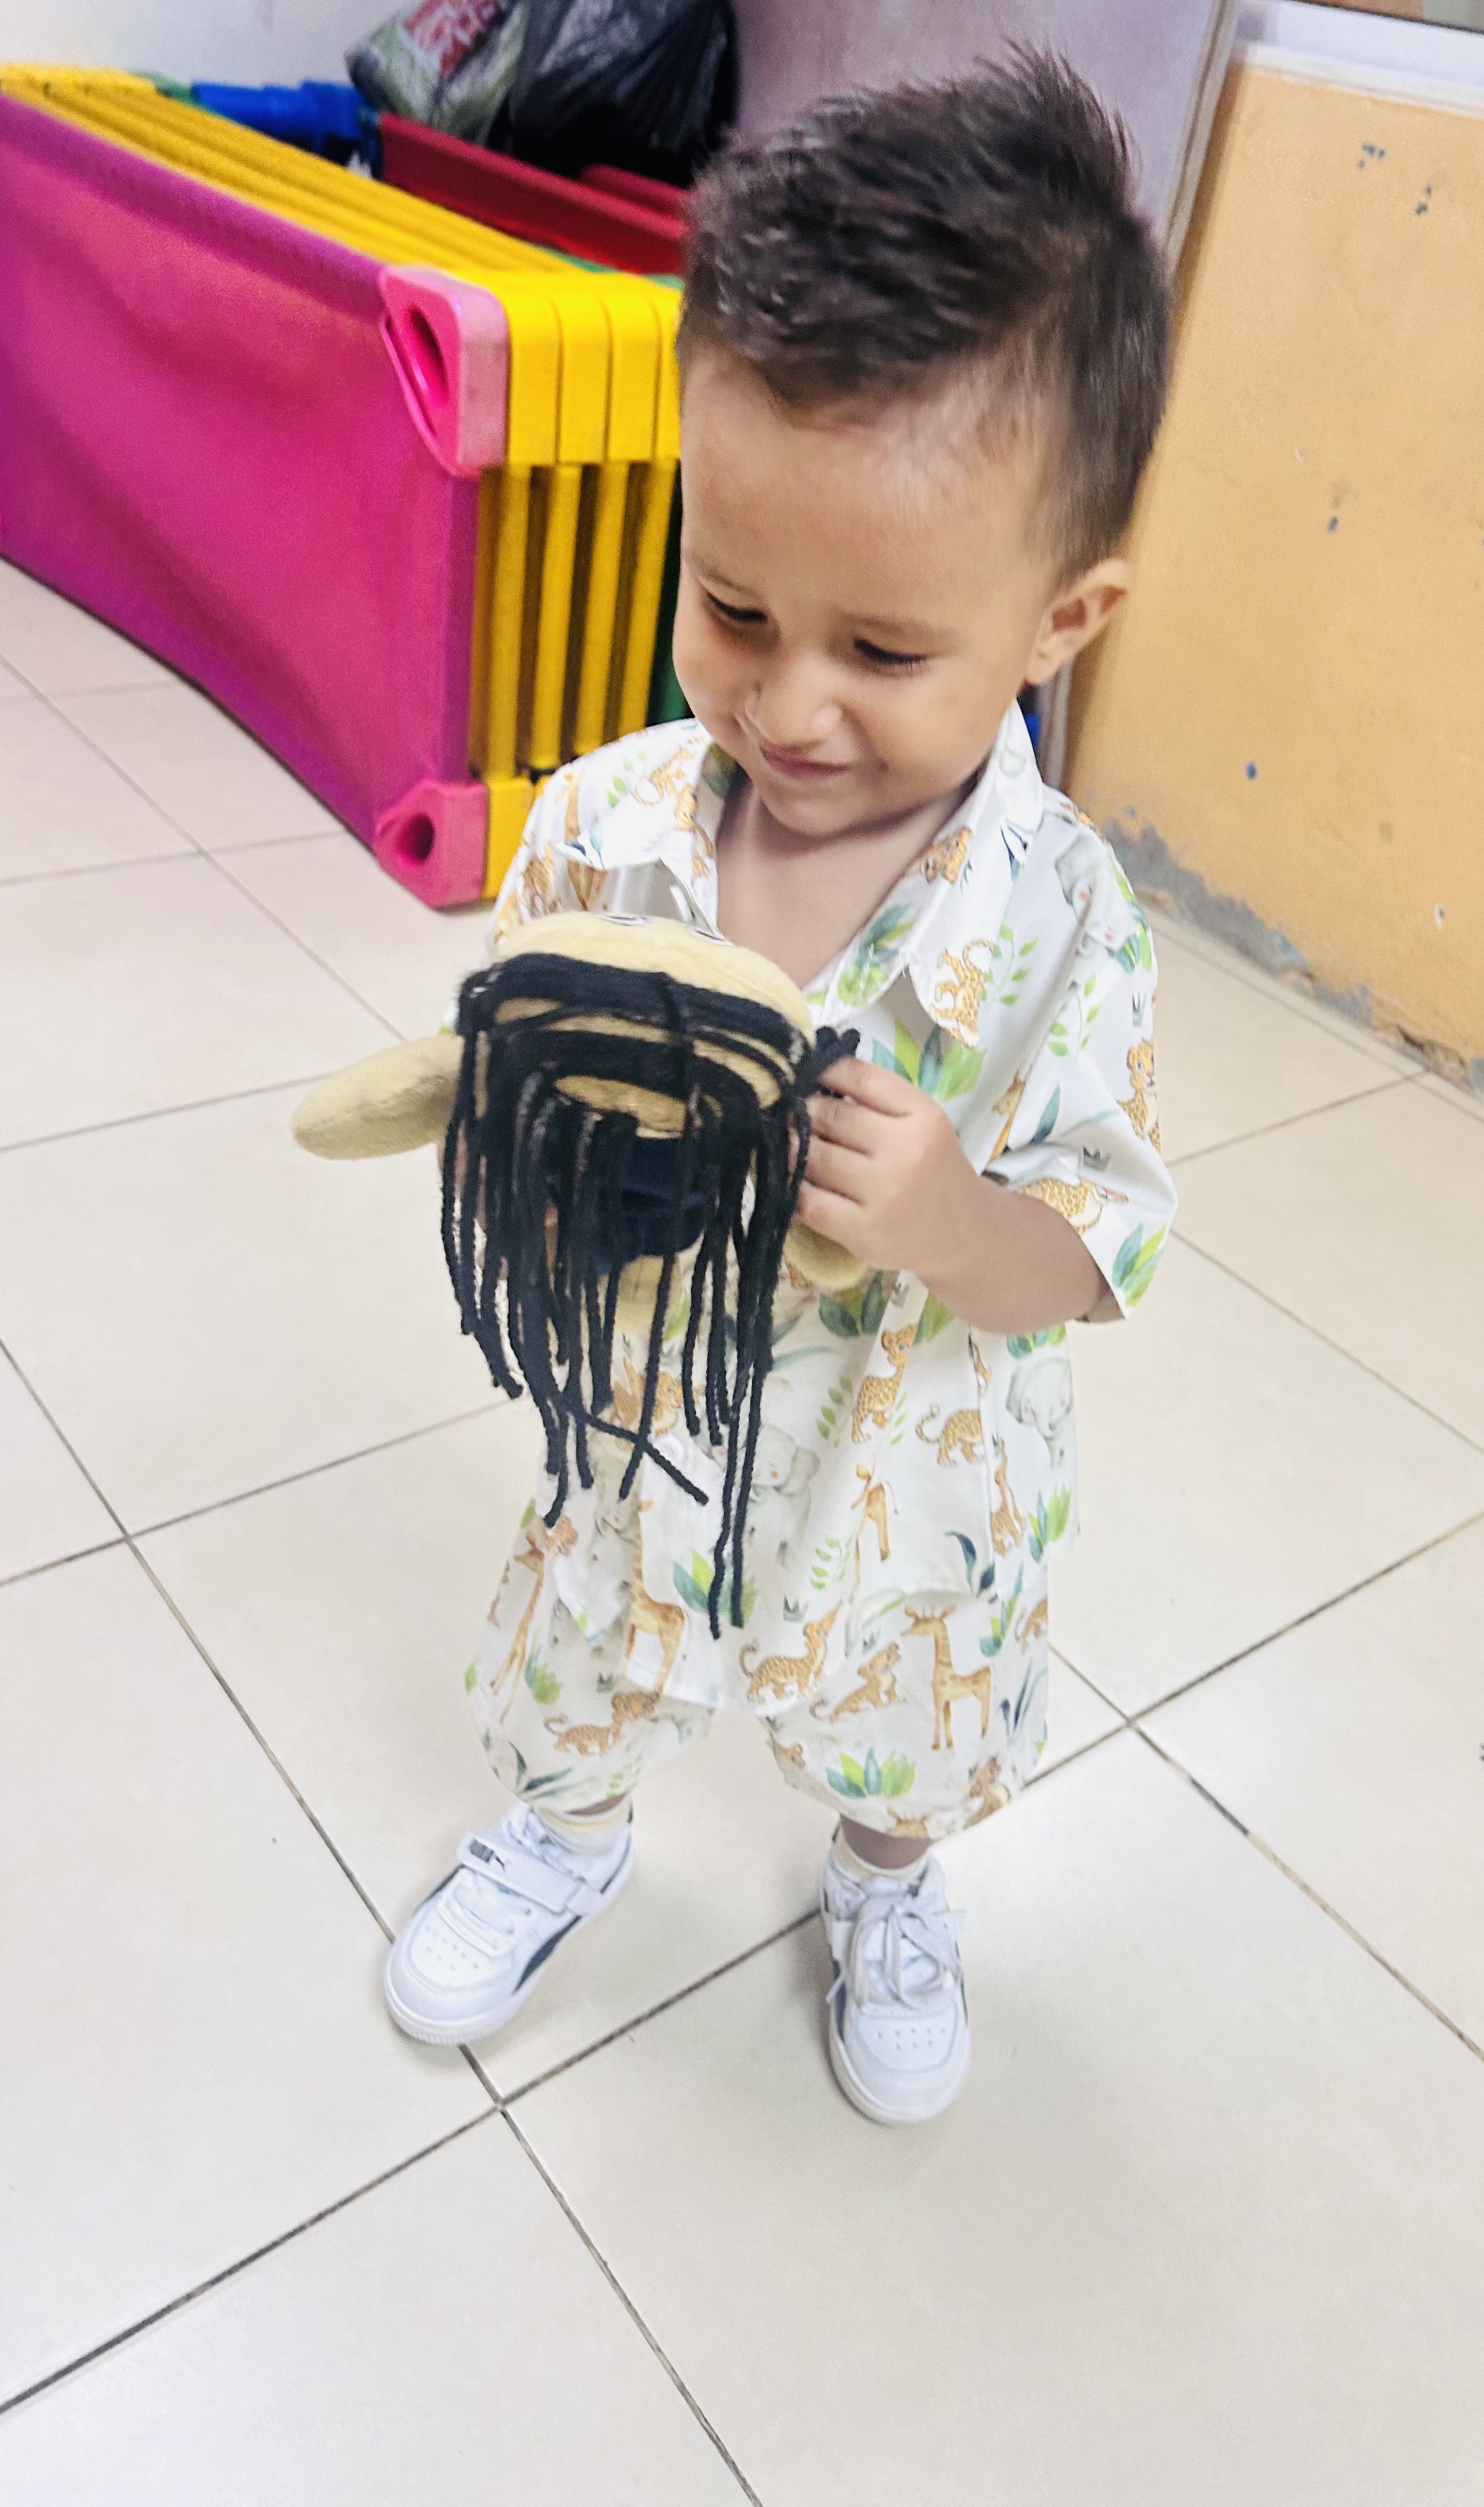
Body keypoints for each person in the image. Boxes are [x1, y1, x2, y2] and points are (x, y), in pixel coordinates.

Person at [384, 48, 1178, 2125]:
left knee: (903, 1704)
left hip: (909, 1451)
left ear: (1061, 618)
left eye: (884, 651)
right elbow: (521, 1069)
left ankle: (887, 1887)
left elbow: (1097, 1251)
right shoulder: (604, 822)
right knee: (588, 1637)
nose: (789, 702)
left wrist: (948, 1217)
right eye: (733, 604)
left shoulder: (1064, 916)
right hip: (642, 1403)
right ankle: (565, 1831)